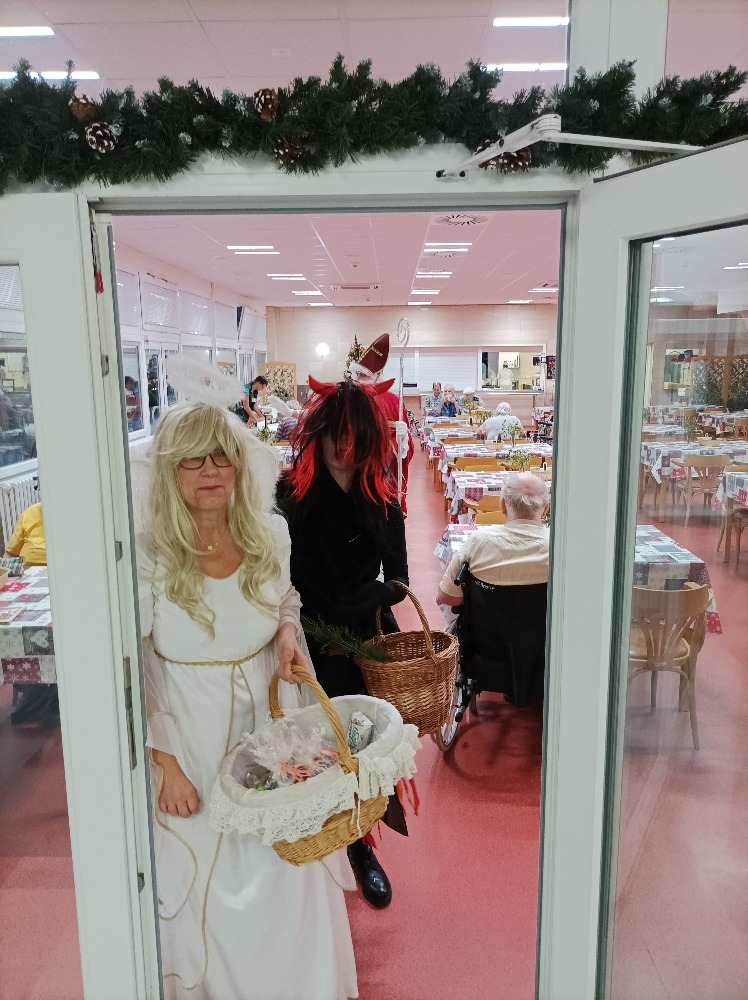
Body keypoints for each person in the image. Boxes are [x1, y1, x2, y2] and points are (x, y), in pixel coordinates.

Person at [136, 401, 357, 1000]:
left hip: (266, 726)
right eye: (192, 460)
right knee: (208, 871)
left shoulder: (269, 533)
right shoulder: (148, 550)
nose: (210, 470)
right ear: (169, 471)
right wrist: (165, 762)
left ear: (239, 464)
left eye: (221, 456)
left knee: (283, 864)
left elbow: (286, 598)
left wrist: (286, 631)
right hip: (190, 731)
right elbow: (137, 661)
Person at [275, 376, 410, 910]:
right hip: (303, 642)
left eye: (355, 434)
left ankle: (361, 845)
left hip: (363, 640)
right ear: (322, 433)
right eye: (337, 433)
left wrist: (370, 599)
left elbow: (399, 579)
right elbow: (273, 575)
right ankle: (319, 843)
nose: (345, 446)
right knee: (316, 750)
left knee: (362, 749)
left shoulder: (382, 498)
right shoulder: (289, 496)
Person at [436, 472, 550, 607]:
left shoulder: (478, 542)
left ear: (502, 506)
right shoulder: (559, 547)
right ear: (545, 509)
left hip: (484, 620)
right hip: (542, 621)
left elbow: (446, 596)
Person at [5, 497, 58, 728]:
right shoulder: (30, 513)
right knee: (16, 626)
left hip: (59, 578)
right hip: (28, 582)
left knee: (53, 629)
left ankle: (52, 695)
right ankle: (33, 692)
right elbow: (10, 554)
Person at [349, 334, 414, 517]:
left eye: (363, 374)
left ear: (377, 376)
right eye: (357, 374)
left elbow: (408, 448)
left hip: (384, 476)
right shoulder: (349, 399)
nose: (358, 378)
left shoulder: (393, 401)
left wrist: (403, 437)